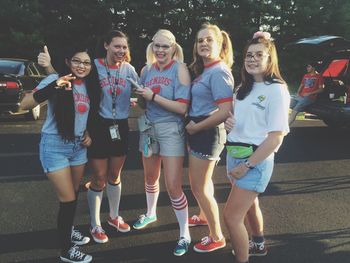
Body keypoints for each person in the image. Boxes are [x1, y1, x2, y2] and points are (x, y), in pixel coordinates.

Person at [38, 30, 139, 244]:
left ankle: (113, 217)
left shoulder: (130, 69)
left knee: (115, 174)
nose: (121, 50)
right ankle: (95, 224)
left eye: (124, 47)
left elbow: (141, 92)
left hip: (120, 125)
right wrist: (48, 67)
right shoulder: (93, 65)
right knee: (99, 177)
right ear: (106, 46)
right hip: (98, 126)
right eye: (116, 46)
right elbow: (70, 78)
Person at [20, 46, 98, 263]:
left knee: (73, 194)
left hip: (78, 148)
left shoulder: (88, 86)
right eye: (77, 61)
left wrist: (88, 133)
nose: (82, 66)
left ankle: (68, 229)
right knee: (68, 200)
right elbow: (25, 103)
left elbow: (85, 115)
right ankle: (65, 251)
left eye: (86, 62)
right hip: (54, 146)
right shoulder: (56, 80)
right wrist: (54, 85)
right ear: (68, 62)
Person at [223, 31, 290, 263]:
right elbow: (237, 125)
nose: (252, 59)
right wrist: (228, 123)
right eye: (248, 55)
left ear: (270, 58)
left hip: (254, 162)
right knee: (250, 206)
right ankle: (258, 243)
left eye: (258, 54)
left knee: (231, 217)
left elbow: (275, 138)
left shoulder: (276, 89)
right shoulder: (242, 89)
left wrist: (248, 165)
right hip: (234, 155)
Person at [133, 29, 191, 256]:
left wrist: (153, 96)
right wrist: (139, 95)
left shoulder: (181, 69)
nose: (160, 50)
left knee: (174, 186)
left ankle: (184, 233)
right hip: (148, 128)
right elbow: (143, 104)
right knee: (149, 176)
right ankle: (150, 213)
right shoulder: (146, 70)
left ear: (173, 48)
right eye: (156, 45)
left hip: (171, 130)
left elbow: (182, 108)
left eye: (165, 46)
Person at [186, 22, 234, 253]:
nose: (204, 43)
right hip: (201, 131)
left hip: (207, 134)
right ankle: (204, 216)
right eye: (200, 40)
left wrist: (196, 128)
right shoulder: (207, 69)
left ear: (220, 44)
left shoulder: (219, 72)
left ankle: (217, 236)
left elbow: (225, 112)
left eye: (209, 39)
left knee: (199, 187)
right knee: (204, 184)